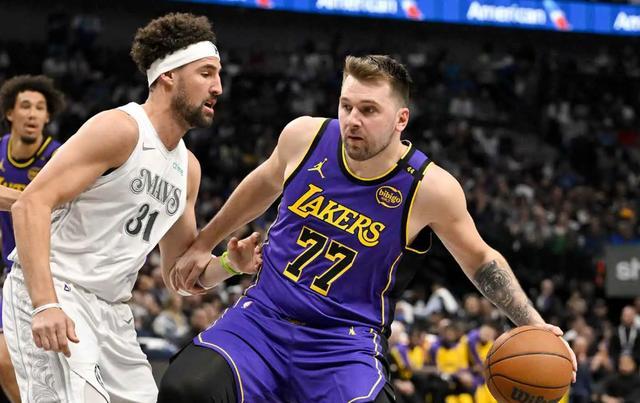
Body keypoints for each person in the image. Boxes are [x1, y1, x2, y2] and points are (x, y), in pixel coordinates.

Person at [161, 55, 576, 402]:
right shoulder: (305, 136)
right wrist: (204, 243)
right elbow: (263, 184)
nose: (352, 120)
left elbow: (480, 259)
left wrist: (532, 322)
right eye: (346, 106)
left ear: (401, 119)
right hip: (262, 319)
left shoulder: (429, 188)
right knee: (186, 389)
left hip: (344, 343)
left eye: (369, 110)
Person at [2, 13, 260, 403]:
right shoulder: (120, 129)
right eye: (206, 73)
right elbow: (29, 205)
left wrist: (228, 265)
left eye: (218, 75)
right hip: (58, 290)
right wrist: (45, 304)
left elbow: (178, 277)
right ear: (168, 75)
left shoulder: (188, 169)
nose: (218, 87)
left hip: (113, 313)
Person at [0, 74, 64, 403]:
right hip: (9, 269)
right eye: (25, 106)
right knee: (4, 362)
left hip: (48, 271)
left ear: (47, 116)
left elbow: (56, 206)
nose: (32, 114)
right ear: (10, 113)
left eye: (40, 108)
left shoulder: (58, 157)